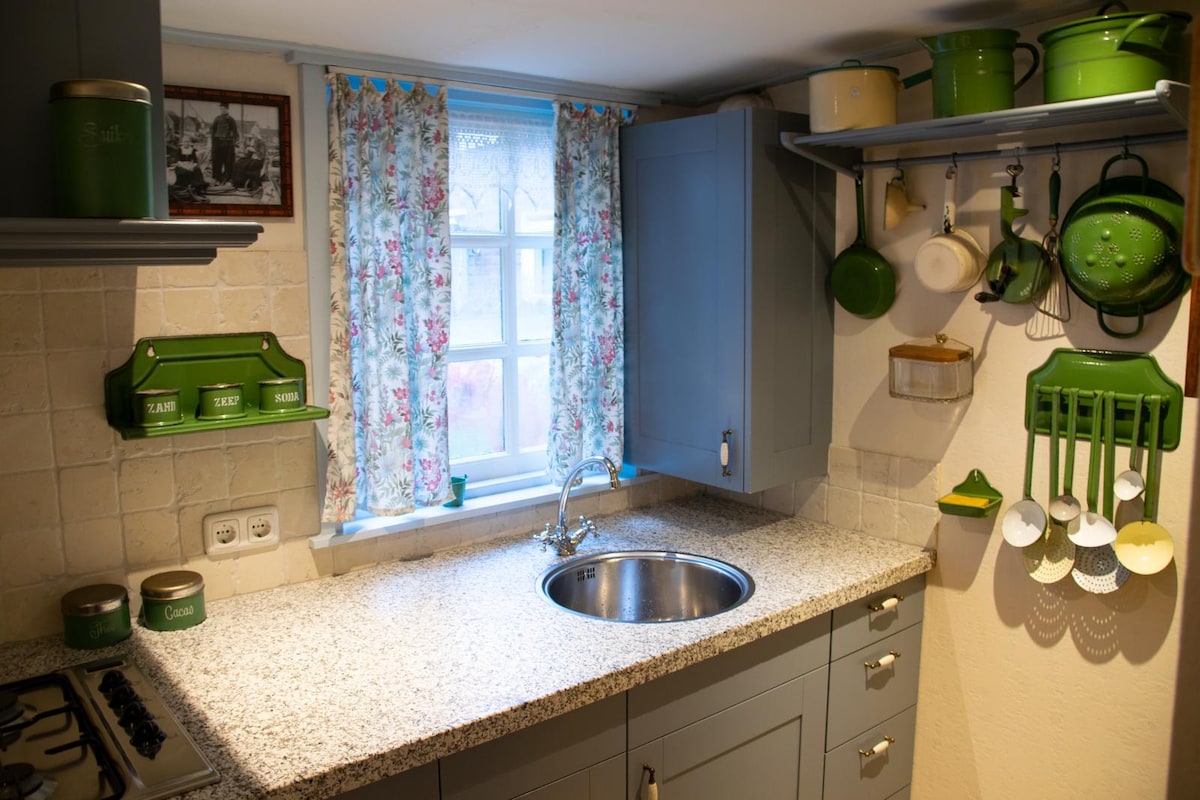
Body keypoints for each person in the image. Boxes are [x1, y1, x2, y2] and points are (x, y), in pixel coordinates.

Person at [210, 102, 239, 186]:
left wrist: (234, 142)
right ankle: (217, 178)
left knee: (228, 162)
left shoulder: (231, 119)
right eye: (221, 109)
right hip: (218, 143)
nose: (222, 110)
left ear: (227, 109)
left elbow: (235, 133)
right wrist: (213, 142)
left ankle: (227, 179)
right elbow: (212, 130)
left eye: (224, 109)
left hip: (228, 143)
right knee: (216, 161)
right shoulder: (217, 118)